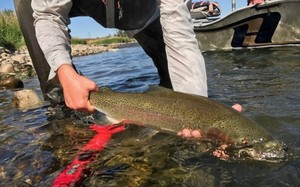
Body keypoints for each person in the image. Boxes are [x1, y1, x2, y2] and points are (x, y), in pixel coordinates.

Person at [14, 0, 240, 138]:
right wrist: (64, 70)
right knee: (27, 2)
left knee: (178, 87)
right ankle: (61, 106)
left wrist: (196, 108)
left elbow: (180, 39)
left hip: (146, 16)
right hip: (82, 4)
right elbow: (48, 14)